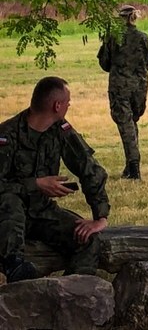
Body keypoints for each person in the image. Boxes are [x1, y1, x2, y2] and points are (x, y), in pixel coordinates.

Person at [0, 76, 110, 283]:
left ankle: (73, 294)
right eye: (68, 101)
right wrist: (36, 184)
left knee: (87, 239)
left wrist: (100, 217)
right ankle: (14, 268)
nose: (69, 105)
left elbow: (88, 168)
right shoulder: (7, 135)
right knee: (10, 201)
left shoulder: (60, 130)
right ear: (57, 105)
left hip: (41, 212)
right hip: (7, 217)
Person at [98, 4, 148, 180]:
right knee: (131, 123)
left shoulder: (112, 38)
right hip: (139, 86)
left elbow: (104, 63)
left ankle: (134, 167)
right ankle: (129, 166)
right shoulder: (143, 38)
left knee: (126, 124)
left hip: (120, 86)